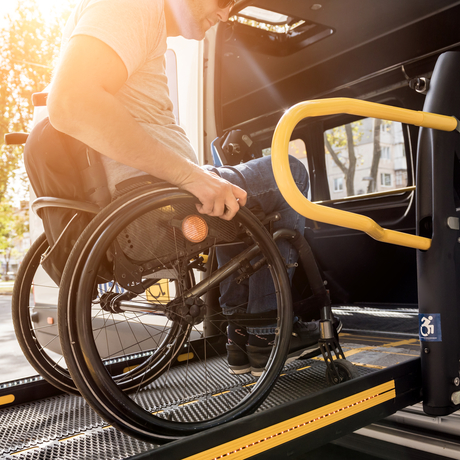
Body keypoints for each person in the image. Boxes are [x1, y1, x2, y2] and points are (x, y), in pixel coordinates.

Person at [45, 0, 337, 376]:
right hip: (157, 196)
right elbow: (71, 101)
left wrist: (199, 176)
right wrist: (192, 177)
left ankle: (241, 337)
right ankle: (266, 331)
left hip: (156, 190)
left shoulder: (138, 24)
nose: (226, 13)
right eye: (222, 1)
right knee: (289, 172)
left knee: (233, 197)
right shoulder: (132, 8)